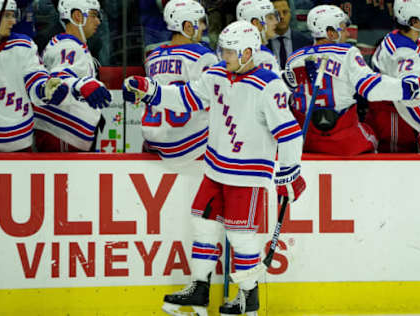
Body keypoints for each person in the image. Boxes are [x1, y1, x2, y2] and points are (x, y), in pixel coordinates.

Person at [124, 20, 306, 316]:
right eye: (223, 50)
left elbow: (288, 133)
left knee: (241, 236)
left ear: (248, 52)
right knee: (203, 225)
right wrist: (151, 89)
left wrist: (289, 173)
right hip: (214, 168)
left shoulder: (269, 85)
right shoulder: (217, 74)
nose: (225, 57)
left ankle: (249, 298)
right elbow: (185, 98)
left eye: (231, 52)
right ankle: (199, 288)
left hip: (247, 175)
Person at [284, 5, 420, 155]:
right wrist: (408, 88)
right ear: (330, 32)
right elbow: (371, 88)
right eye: (342, 28)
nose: (347, 33)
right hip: (344, 142)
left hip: (304, 141)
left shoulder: (293, 59)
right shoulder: (346, 54)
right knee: (373, 137)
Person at [0, 0, 98, 152]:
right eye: (6, 16)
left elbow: (36, 77)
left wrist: (45, 90)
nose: (13, 21)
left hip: (19, 141)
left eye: (14, 15)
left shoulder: (23, 45)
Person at [140, 0, 218, 162]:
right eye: (201, 22)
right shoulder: (204, 57)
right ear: (188, 26)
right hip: (195, 147)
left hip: (156, 143)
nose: (203, 27)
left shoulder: (152, 58)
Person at [34, 0, 111, 152]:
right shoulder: (68, 46)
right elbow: (58, 81)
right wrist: (82, 85)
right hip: (63, 135)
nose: (98, 21)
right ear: (77, 16)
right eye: (94, 15)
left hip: (66, 135)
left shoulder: (73, 45)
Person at [366, 0, 420, 152]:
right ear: (413, 21)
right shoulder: (404, 54)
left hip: (398, 115)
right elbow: (410, 96)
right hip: (395, 117)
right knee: (396, 165)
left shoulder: (408, 38)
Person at [236, 0, 282, 74]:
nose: (276, 22)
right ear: (256, 23)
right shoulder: (261, 55)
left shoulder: (240, 48)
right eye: (270, 18)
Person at [268, 0, 312, 69]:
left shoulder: (306, 42)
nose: (282, 16)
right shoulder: (263, 44)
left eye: (285, 12)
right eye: (276, 13)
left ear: (290, 13)